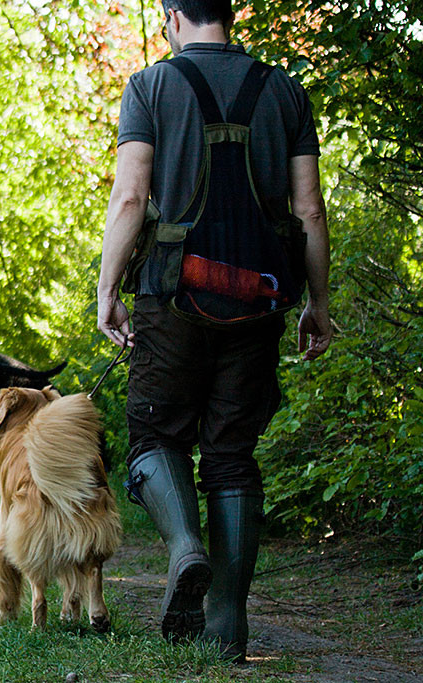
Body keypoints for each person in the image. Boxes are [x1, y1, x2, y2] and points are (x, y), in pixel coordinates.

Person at [96, 0, 331, 661]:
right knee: (232, 454)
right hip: (260, 300)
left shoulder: (150, 86)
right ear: (228, 16)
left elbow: (131, 198)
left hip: (171, 295)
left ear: (173, 17)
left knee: (154, 435)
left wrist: (107, 288)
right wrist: (318, 300)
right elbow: (308, 207)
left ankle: (183, 546)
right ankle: (227, 625)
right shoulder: (284, 90)